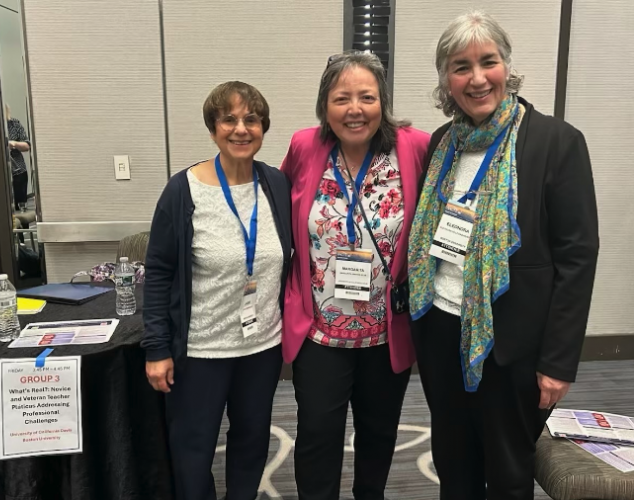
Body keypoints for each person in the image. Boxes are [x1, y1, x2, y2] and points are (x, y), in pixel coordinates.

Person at [407, 11, 599, 500]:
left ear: (506, 67)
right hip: (442, 331)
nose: (476, 78)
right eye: (460, 66)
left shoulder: (556, 142)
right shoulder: (442, 143)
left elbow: (578, 258)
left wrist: (558, 362)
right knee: (454, 461)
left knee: (509, 470)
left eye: (487, 62)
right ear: (446, 79)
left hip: (511, 342)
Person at [281, 51, 430, 500]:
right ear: (324, 104)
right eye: (341, 97)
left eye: (366, 97)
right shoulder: (305, 146)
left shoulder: (414, 145)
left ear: (382, 101)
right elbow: (279, 209)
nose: (354, 109)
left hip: (386, 331)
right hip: (321, 333)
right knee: (317, 438)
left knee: (379, 436)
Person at [141, 81, 292, 500]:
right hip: (201, 351)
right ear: (213, 129)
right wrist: (157, 348)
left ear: (263, 128)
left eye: (252, 120)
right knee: (192, 449)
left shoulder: (276, 185)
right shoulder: (183, 190)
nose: (241, 129)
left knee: (251, 441)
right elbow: (157, 272)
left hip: (261, 348)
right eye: (229, 119)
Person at [5, 104, 31, 209]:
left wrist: (14, 144)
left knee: (21, 207)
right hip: (1, 174)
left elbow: (27, 145)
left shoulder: (15, 124)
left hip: (18, 171)